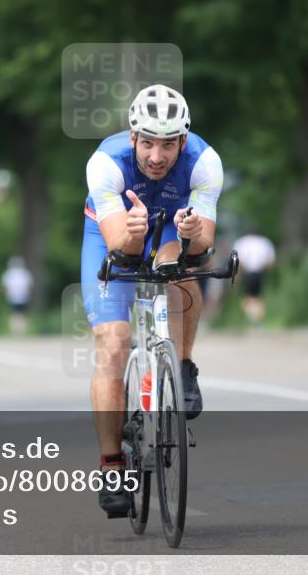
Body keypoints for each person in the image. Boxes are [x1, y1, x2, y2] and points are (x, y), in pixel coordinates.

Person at [80, 84, 223, 518]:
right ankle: (111, 466)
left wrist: (194, 234)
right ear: (132, 138)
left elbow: (204, 248)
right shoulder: (106, 164)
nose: (157, 156)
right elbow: (119, 245)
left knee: (181, 271)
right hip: (113, 234)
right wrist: (133, 230)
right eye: (147, 143)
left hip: (169, 232)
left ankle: (182, 366)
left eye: (167, 145)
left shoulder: (205, 163)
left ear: (182, 141)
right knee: (113, 345)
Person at [233, 232, 276, 325]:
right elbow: (270, 262)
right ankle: (255, 318)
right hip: (260, 272)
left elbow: (238, 262)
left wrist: (237, 277)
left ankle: (251, 318)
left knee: (248, 296)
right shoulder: (265, 242)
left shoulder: (242, 242)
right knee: (257, 297)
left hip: (247, 272)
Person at [2, 256, 34, 335]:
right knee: (22, 315)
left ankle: (16, 331)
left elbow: (6, 287)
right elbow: (29, 286)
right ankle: (21, 331)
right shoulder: (25, 273)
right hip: (23, 297)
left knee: (15, 314)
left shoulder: (9, 274)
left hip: (14, 297)